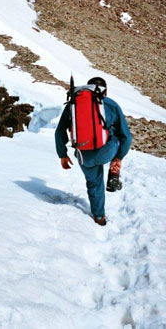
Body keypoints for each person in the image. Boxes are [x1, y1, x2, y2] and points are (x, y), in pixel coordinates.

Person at [55, 76, 132, 226]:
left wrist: (62, 155)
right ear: (105, 91)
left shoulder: (73, 104)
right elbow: (127, 137)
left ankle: (99, 217)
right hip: (106, 151)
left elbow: (59, 132)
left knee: (94, 182)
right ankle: (114, 171)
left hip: (84, 155)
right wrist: (118, 158)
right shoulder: (111, 104)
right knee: (116, 136)